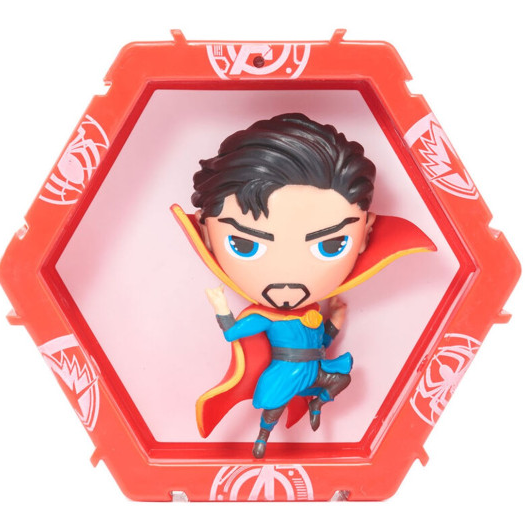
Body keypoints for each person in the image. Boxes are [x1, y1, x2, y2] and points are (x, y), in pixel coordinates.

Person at [172, 113, 435, 458]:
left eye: (331, 245)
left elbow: (322, 339)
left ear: (365, 234)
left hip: (313, 367)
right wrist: (221, 308)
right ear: (206, 233)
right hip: (286, 368)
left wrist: (334, 321)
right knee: (274, 403)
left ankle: (316, 403)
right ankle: (263, 437)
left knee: (341, 379)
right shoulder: (266, 319)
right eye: (245, 244)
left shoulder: (308, 316)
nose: (289, 276)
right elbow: (234, 333)